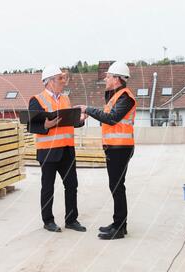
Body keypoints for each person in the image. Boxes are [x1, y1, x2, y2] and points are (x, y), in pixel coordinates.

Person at [78, 61, 136, 240]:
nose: (105, 78)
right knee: (116, 186)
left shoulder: (125, 97)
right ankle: (119, 224)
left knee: (117, 187)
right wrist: (90, 113)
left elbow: (111, 118)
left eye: (108, 76)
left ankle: (119, 227)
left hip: (121, 148)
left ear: (117, 79)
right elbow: (107, 116)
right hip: (114, 147)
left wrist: (88, 109)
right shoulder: (115, 96)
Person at [28, 66, 88, 233]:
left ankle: (71, 220)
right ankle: (48, 221)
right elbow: (31, 123)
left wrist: (81, 119)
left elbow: (69, 122)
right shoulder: (37, 100)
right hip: (48, 151)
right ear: (49, 82)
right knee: (48, 187)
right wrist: (45, 125)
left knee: (72, 185)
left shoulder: (65, 99)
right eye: (60, 79)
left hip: (67, 150)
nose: (63, 81)